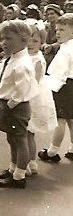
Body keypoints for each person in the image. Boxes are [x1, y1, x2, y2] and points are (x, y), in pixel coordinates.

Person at [0, 20, 37, 188]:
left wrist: (9, 106)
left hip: (15, 106)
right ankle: (13, 168)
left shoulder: (22, 64)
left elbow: (21, 90)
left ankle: (19, 176)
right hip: (7, 104)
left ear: (23, 40)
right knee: (11, 139)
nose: (3, 43)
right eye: (2, 38)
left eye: (9, 38)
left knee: (20, 140)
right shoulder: (11, 59)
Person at [38, 14, 73, 162]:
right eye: (57, 29)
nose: (58, 32)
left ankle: (52, 151)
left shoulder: (68, 49)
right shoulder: (67, 46)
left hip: (64, 86)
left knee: (60, 120)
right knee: (71, 120)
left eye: (62, 29)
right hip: (68, 84)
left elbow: (60, 72)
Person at [26, 24, 57, 175]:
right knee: (25, 133)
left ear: (41, 43)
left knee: (27, 132)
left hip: (32, 97)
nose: (30, 44)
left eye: (35, 41)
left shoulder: (37, 59)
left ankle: (28, 162)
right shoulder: (26, 56)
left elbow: (35, 82)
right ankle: (30, 162)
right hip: (26, 94)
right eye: (27, 40)